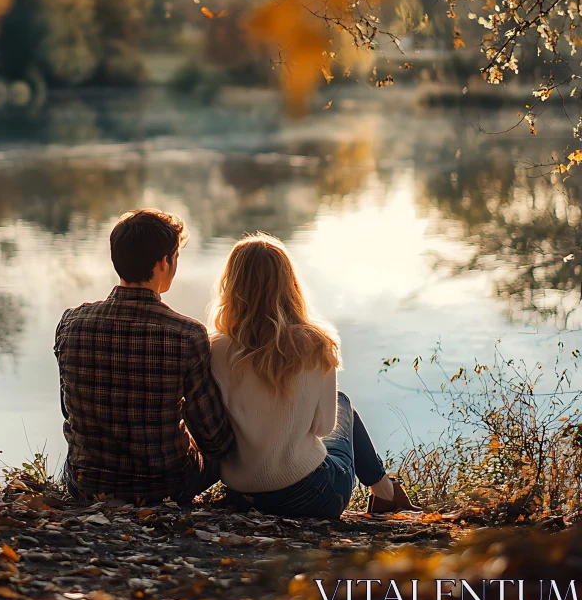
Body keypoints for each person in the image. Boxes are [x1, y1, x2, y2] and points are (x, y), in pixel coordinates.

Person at [209, 232, 420, 518]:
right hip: (313, 497)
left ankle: (385, 491)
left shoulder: (213, 349)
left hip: (243, 495)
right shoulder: (316, 343)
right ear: (289, 283)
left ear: (231, 284)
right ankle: (385, 492)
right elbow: (322, 427)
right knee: (342, 402)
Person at [55, 208, 235, 503]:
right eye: (176, 257)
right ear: (164, 262)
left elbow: (68, 410)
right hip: (165, 488)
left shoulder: (71, 323)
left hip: (87, 483)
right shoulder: (187, 334)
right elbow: (212, 437)